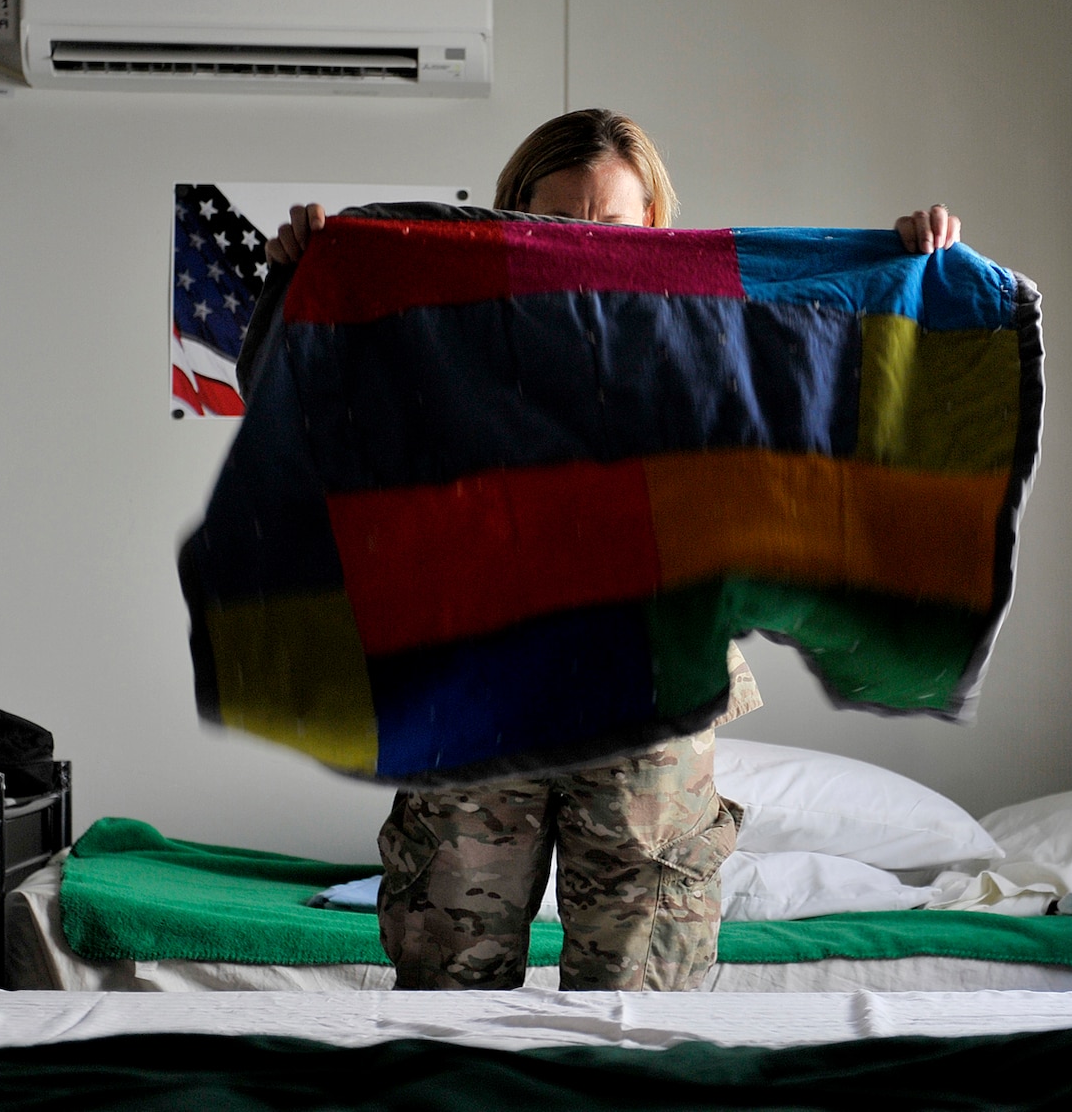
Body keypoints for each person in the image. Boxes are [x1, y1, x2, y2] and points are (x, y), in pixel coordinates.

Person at [263, 109, 958, 991]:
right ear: (513, 218)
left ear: (654, 227)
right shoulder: (442, 324)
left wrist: (900, 263)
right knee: (449, 974)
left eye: (614, 226)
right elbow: (313, 410)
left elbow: (836, 372)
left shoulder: (711, 329)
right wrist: (300, 282)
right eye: (560, 224)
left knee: (643, 993)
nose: (587, 245)